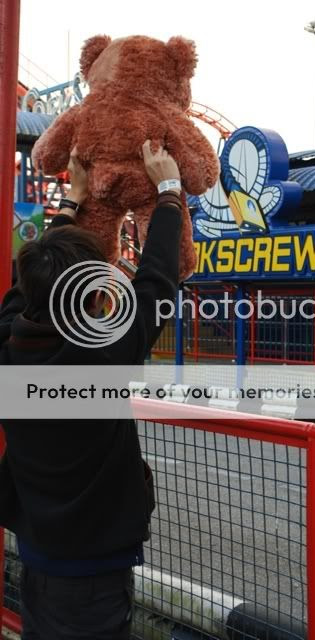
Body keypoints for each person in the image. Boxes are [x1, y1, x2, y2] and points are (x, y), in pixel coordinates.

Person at [0, 141, 183, 639]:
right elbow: (158, 279)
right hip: (96, 567)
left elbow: (154, 284)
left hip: (36, 550)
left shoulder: (9, 349)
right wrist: (168, 189)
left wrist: (71, 202)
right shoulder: (102, 357)